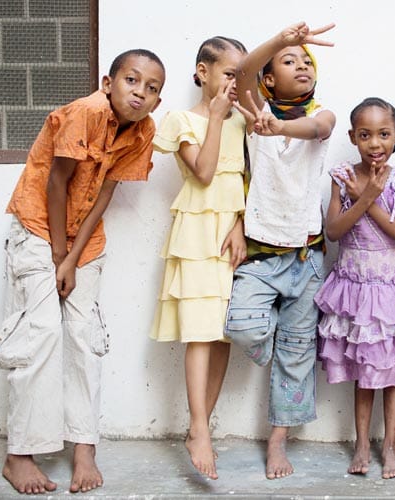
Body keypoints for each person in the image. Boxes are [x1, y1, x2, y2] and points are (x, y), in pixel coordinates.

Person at [0, 49, 165, 494]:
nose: (140, 93)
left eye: (151, 88)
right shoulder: (86, 112)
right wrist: (57, 255)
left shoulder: (143, 131)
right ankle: (19, 455)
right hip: (39, 228)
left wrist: (73, 258)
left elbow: (105, 194)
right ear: (109, 84)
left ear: (157, 101)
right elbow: (57, 182)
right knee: (42, 332)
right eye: (131, 80)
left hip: (83, 242)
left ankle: (84, 448)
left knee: (85, 338)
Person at [225, 22, 336, 480]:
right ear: (269, 79)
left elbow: (318, 127)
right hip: (261, 255)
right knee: (244, 328)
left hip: (307, 257)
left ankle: (277, 442)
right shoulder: (254, 109)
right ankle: (274, 340)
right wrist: (281, 41)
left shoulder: (321, 114)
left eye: (306, 61)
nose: (302, 65)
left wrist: (281, 128)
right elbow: (244, 70)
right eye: (291, 61)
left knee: (296, 355)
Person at [149, 36, 249, 480]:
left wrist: (241, 224)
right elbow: (204, 173)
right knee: (200, 333)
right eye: (228, 73)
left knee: (222, 332)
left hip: (232, 234)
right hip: (195, 232)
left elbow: (249, 179)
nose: (234, 83)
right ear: (202, 72)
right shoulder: (181, 120)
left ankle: (199, 428)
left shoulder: (243, 121)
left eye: (240, 75)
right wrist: (216, 118)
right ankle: (199, 428)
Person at [315, 97, 395, 479]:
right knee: (363, 372)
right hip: (354, 292)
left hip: (388, 292)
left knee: (393, 374)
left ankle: (389, 445)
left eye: (383, 134)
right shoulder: (342, 176)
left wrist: (370, 199)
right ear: (352, 137)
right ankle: (362, 444)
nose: (375, 143)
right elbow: (333, 232)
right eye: (365, 135)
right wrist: (362, 195)